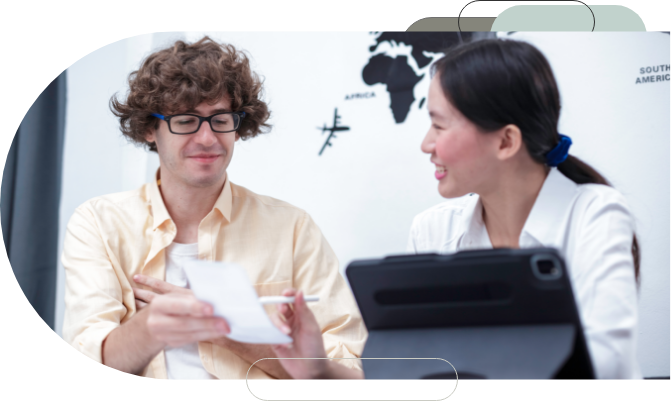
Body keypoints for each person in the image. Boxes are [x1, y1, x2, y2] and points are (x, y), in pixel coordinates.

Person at [269, 38, 642, 380]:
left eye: (438, 125)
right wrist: (321, 370)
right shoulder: (433, 230)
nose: (425, 144)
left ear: (506, 141)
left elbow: (606, 364)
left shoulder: (595, 213)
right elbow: (413, 374)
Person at [61, 36, 367, 380]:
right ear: (150, 128)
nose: (207, 138)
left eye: (220, 119)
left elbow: (349, 372)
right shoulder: (99, 223)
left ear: (239, 126)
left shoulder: (293, 228)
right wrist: (154, 326)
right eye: (186, 120)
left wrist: (225, 326)